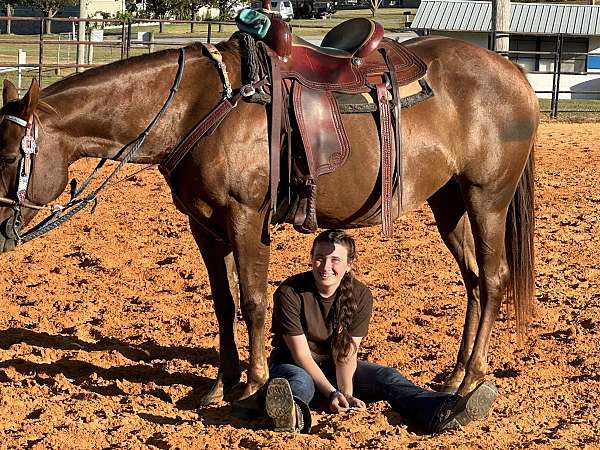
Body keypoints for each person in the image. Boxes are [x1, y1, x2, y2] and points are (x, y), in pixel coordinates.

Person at [264, 229, 497, 434]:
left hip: (337, 367)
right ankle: (289, 415)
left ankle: (443, 410)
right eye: (320, 258)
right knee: (298, 382)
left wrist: (346, 393)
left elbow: (346, 354)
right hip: (295, 363)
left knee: (388, 377)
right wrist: (331, 392)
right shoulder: (290, 292)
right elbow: (301, 355)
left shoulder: (360, 294)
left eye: (335, 259)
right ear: (311, 259)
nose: (326, 267)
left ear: (349, 265)